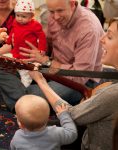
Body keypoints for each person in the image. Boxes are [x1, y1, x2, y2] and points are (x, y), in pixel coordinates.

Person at [0, 0, 104, 113]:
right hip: (49, 70)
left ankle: (24, 101)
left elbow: (80, 76)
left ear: (72, 4)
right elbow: (48, 43)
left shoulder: (88, 28)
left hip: (76, 81)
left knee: (32, 95)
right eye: (52, 11)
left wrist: (46, 62)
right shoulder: (52, 15)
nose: (55, 17)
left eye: (60, 11)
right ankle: (27, 101)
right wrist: (34, 54)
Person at [29, 17, 118, 150]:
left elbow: (68, 115)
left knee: (33, 135)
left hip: (90, 143)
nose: (101, 39)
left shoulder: (113, 94)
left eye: (109, 37)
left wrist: (41, 81)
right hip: (92, 128)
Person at [10, 94, 77, 150]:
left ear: (20, 125)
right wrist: (63, 115)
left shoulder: (17, 137)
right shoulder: (55, 133)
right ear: (48, 119)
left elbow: (12, 147)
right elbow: (72, 133)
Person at [6, 0, 47, 87]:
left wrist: (42, 49)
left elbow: (42, 37)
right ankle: (16, 76)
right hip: (16, 51)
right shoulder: (15, 22)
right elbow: (12, 31)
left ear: (32, 16)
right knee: (13, 63)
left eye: (23, 16)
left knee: (26, 72)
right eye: (18, 15)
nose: (20, 18)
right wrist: (9, 40)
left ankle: (25, 86)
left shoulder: (35, 25)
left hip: (28, 54)